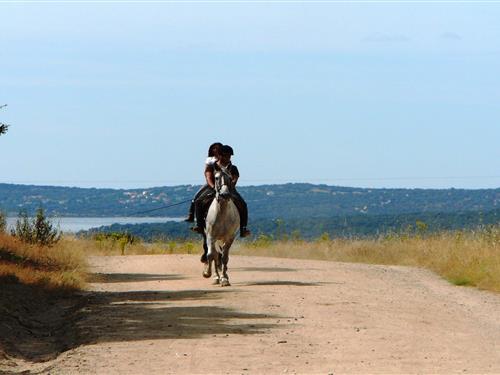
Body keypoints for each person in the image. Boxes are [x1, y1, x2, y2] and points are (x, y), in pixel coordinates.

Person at [191, 144, 250, 238]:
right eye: (226, 155)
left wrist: (230, 186)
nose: (228, 158)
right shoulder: (212, 167)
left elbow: (235, 178)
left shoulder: (233, 168)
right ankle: (199, 225)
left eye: (230, 156)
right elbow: (208, 177)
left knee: (242, 203)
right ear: (220, 155)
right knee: (198, 201)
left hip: (229, 189)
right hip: (213, 188)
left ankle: (243, 228)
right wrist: (214, 187)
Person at [184, 142, 222, 223]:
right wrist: (212, 186)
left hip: (223, 183)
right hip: (211, 183)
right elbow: (207, 173)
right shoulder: (210, 160)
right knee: (196, 197)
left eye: (217, 148)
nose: (215, 149)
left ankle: (243, 225)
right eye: (214, 148)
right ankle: (192, 216)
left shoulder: (224, 158)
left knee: (239, 200)